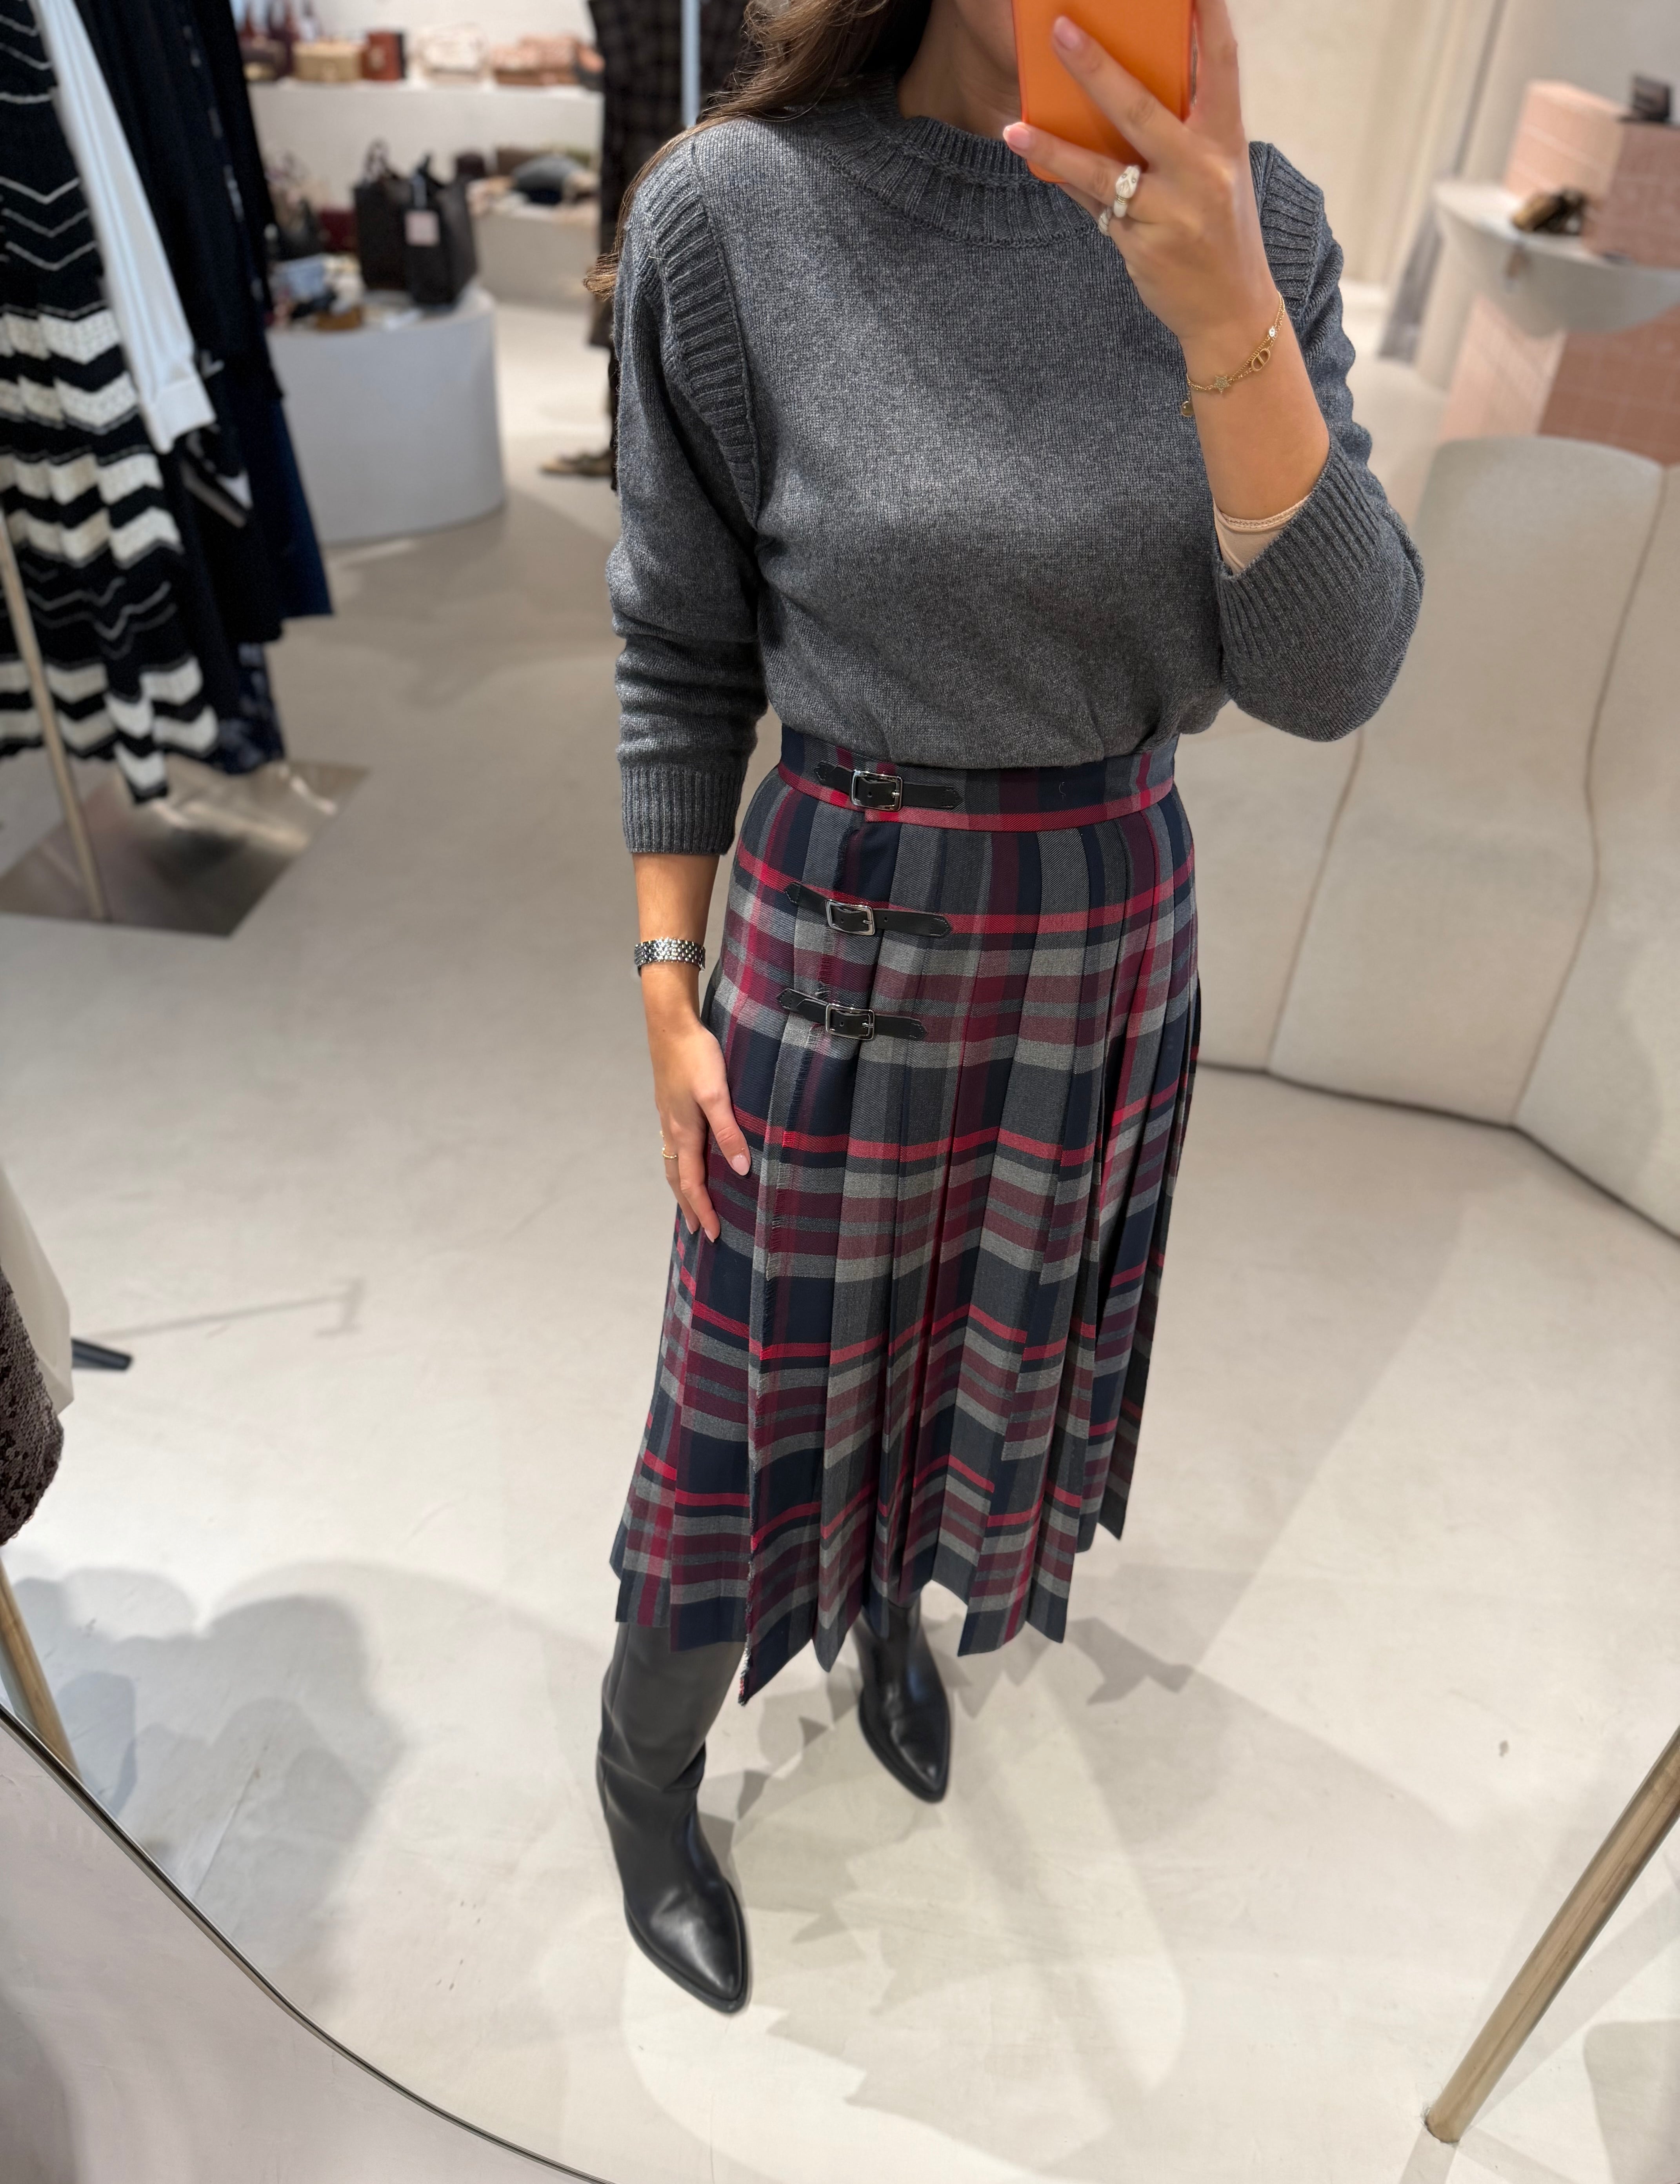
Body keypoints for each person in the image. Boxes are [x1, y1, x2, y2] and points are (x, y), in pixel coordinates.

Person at [591, 0, 1423, 2011]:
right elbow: (680, 643)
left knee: (989, 1345)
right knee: (746, 1387)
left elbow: (1331, 673)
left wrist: (1227, 309)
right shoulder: (738, 214)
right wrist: (664, 978)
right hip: (844, 918)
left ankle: (887, 1612)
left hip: (1108, 920)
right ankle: (647, 1762)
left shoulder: (1257, 228)